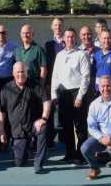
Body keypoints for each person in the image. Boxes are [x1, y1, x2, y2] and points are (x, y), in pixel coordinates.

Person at [0, 62, 51, 174]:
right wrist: (1, 131)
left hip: (33, 125)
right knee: (19, 163)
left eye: (23, 72)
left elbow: (47, 100)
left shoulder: (35, 85)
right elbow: (0, 111)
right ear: (13, 73)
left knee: (44, 129)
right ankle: (24, 152)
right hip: (18, 129)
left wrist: (44, 118)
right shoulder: (6, 89)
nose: (21, 74)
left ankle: (38, 164)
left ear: (27, 72)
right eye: (18, 72)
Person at [51, 28, 90, 166]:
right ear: (63, 38)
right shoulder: (60, 55)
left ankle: (81, 156)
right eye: (67, 37)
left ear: (76, 38)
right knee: (66, 126)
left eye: (73, 37)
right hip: (63, 94)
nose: (70, 39)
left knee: (80, 126)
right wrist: (53, 94)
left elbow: (86, 77)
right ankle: (69, 153)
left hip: (76, 93)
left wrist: (80, 96)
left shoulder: (81, 54)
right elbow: (55, 75)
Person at [0, 25, 18, 150]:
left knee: (10, 110)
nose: (1, 35)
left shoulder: (15, 46)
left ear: (7, 33)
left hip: (9, 82)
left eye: (3, 33)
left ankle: (10, 139)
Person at [44, 18, 65, 149]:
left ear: (63, 26)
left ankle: (64, 138)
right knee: (50, 111)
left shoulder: (68, 41)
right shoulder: (47, 44)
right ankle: (50, 141)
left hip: (66, 83)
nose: (58, 27)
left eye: (60, 25)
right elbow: (45, 66)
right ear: (52, 27)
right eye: (55, 25)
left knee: (65, 111)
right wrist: (46, 83)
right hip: (51, 82)